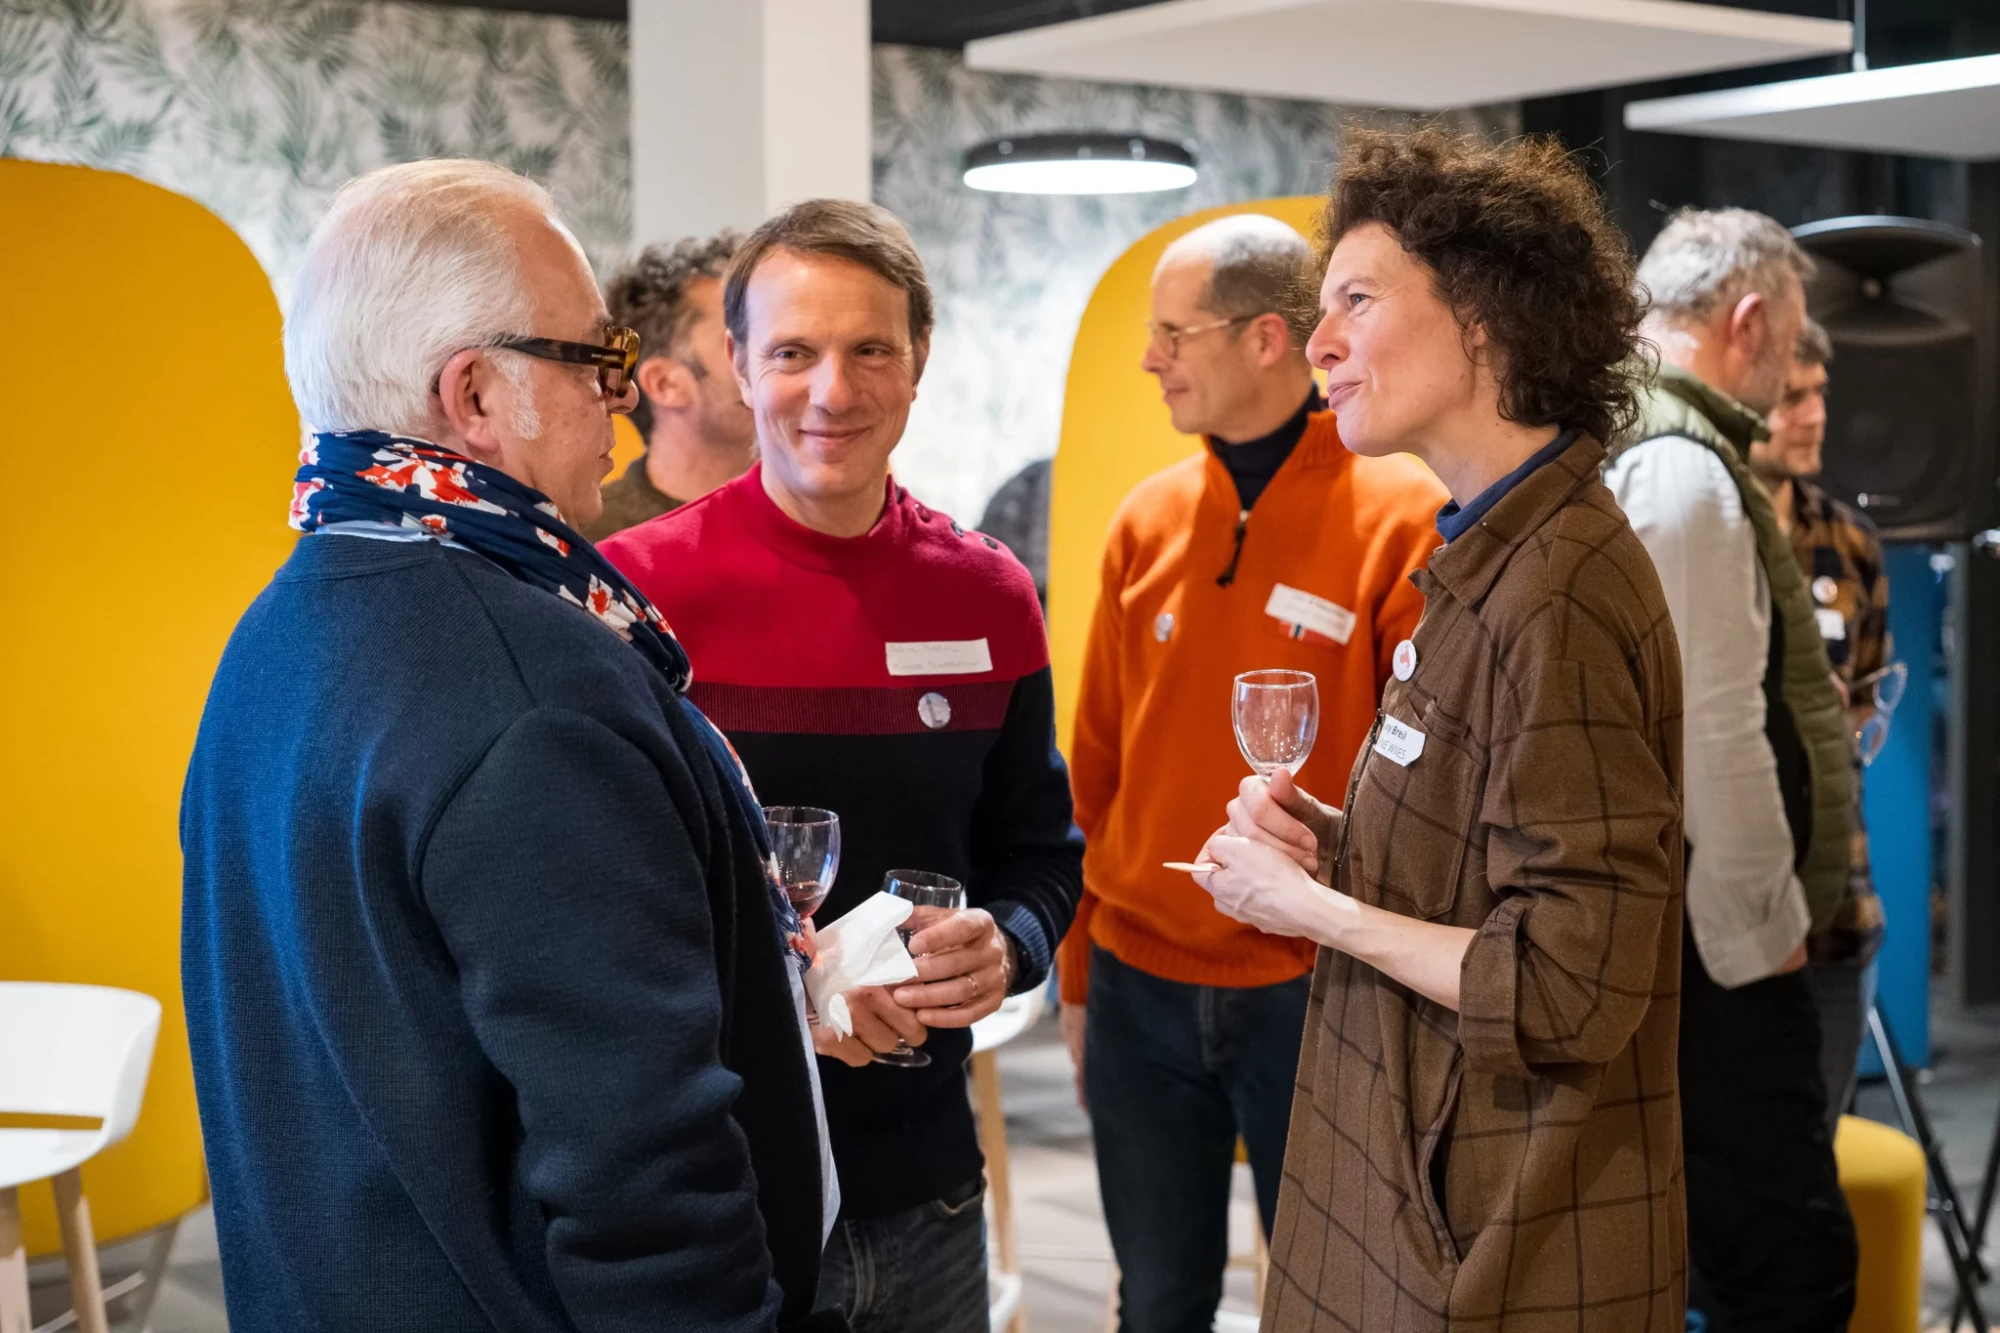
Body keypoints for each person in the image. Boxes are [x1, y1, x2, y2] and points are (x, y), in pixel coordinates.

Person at [182, 161, 845, 1333]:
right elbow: (643, 1180)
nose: (622, 403)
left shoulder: (278, 627)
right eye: (594, 361)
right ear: (474, 393)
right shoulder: (533, 695)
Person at [1194, 128, 1685, 1330]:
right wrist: (1331, 837)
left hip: (1493, 1244)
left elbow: (1568, 983)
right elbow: (1484, 854)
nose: (1316, 344)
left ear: (1480, 315)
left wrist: (1311, 910)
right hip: (1418, 1195)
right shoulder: (1487, 546)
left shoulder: (1557, 584)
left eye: (1355, 300)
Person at [600, 198, 1084, 1333]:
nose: (833, 391)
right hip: (714, 1203)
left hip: (925, 1193)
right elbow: (596, 902)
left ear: (918, 361)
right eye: (793, 353)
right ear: (735, 364)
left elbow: (1037, 857)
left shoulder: (989, 594)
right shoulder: (630, 596)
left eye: (871, 349)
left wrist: (1005, 949)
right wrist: (770, 995)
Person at [1058, 212, 1444, 1333]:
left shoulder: (1400, 516)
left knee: (1335, 1299)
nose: (1148, 358)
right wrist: (1081, 981)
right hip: (1138, 981)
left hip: (1312, 985)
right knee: (1157, 1301)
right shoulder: (1145, 520)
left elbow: (1414, 791)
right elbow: (1096, 772)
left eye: (1174, 333)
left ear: (1268, 338)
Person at [1606, 208, 1859, 1331]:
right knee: (1782, 1270)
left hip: (1688, 947)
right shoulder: (1683, 468)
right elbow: (1705, 739)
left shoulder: (1642, 437)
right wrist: (1764, 936)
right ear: (1746, 320)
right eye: (1790, 334)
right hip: (1721, 962)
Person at [1752, 316, 1890, 1130]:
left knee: (1815, 1161)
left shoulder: (1851, 539)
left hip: (1839, 918)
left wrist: (1835, 722)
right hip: (1727, 921)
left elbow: (1873, 691)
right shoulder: (1703, 530)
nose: (1813, 415)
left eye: (1818, 395)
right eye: (1789, 397)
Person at [582, 231, 755, 540]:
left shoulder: (825, 515)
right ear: (664, 384)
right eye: (739, 340)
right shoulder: (593, 543)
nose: (778, 360)